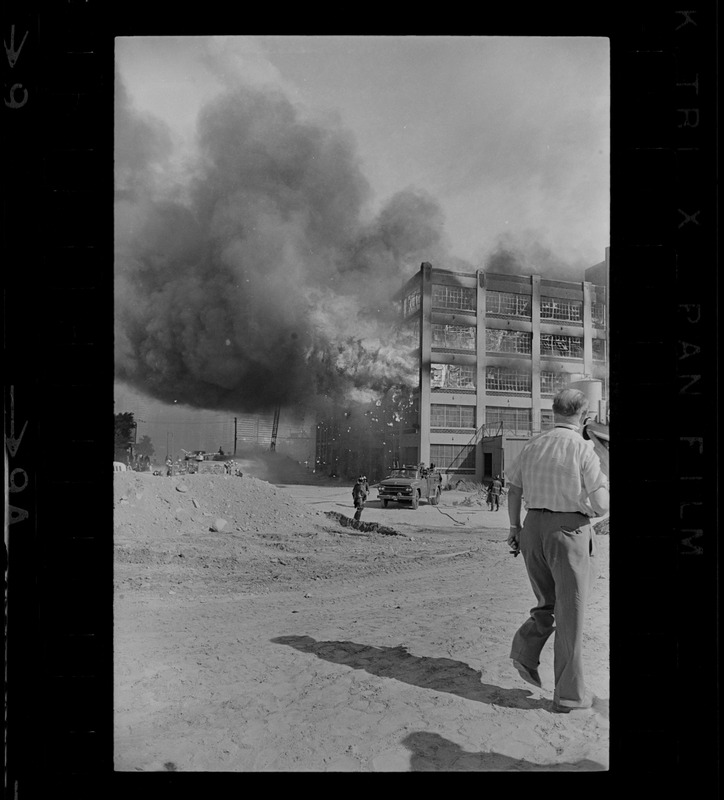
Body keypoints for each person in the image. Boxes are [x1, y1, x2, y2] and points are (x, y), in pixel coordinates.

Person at [505, 388, 609, 713]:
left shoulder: (534, 444)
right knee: (571, 613)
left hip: (532, 527)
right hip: (568, 531)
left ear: (553, 411)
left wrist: (515, 528)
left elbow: (514, 488)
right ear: (585, 414)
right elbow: (601, 503)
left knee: (546, 601)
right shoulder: (584, 448)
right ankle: (569, 696)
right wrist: (594, 512)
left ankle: (524, 652)